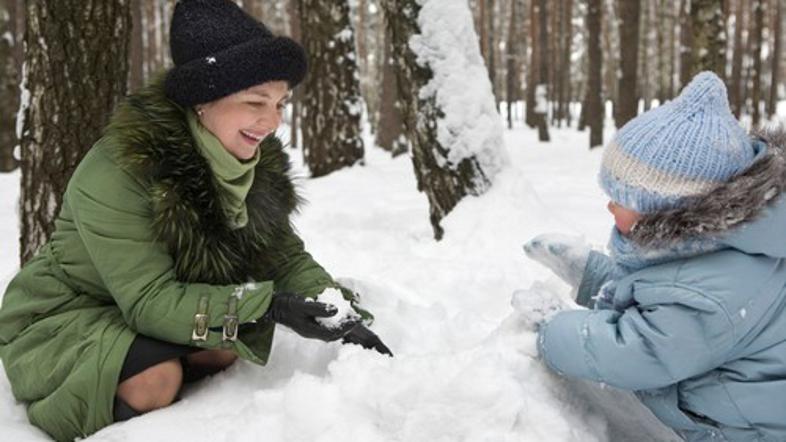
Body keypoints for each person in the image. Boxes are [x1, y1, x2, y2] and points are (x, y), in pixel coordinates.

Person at [0, 1, 390, 440]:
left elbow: (283, 256)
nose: (273, 120)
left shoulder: (253, 164)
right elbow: (148, 299)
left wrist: (339, 311)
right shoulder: (121, 169)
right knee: (158, 379)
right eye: (255, 101)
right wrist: (267, 307)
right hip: (66, 314)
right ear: (202, 102)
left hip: (149, 307)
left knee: (226, 347)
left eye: (280, 103)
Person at [524, 71, 786, 441]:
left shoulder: (715, 294)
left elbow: (640, 350)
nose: (609, 204)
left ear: (667, 210)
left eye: (622, 198)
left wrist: (550, 330)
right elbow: (664, 296)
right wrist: (594, 277)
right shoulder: (716, 248)